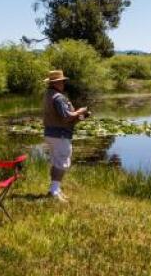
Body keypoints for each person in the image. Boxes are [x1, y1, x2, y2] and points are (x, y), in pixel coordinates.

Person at [43, 70, 89, 202]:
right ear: (56, 83)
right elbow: (67, 116)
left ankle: (55, 190)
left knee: (56, 162)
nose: (64, 83)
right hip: (60, 135)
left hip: (51, 134)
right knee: (62, 163)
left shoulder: (48, 94)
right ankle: (54, 192)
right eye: (62, 81)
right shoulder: (58, 97)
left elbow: (64, 117)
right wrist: (80, 111)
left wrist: (80, 117)